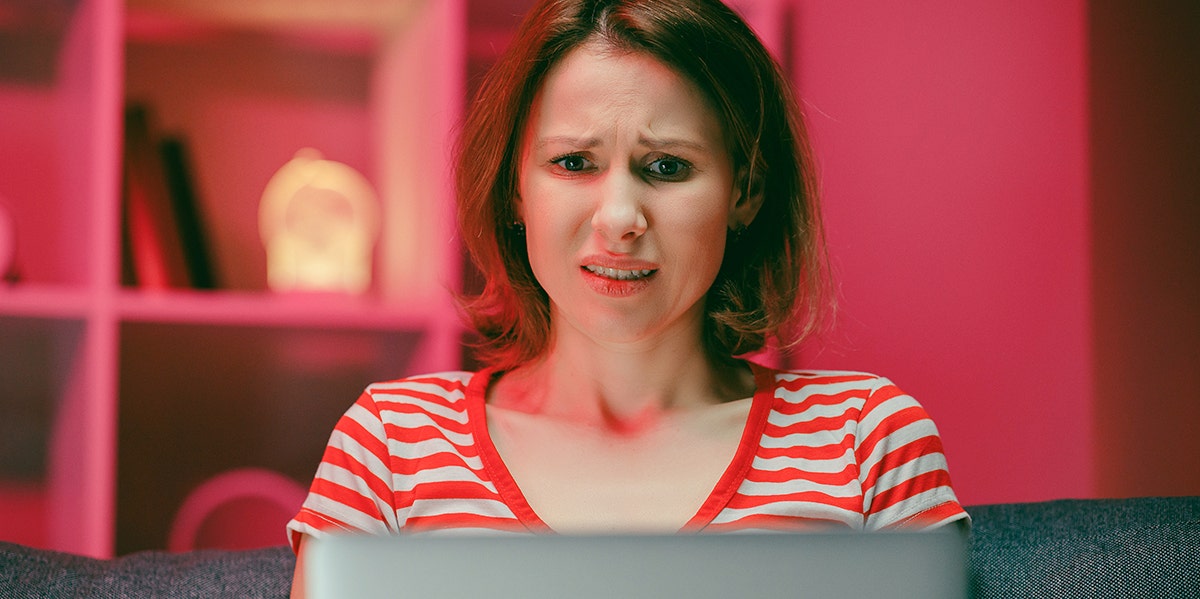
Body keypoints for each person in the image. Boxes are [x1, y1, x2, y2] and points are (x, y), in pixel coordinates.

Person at [288, 0, 968, 594]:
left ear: (745, 192)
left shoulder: (867, 439)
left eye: (667, 167)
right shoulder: (389, 443)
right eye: (573, 163)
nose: (619, 218)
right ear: (515, 189)